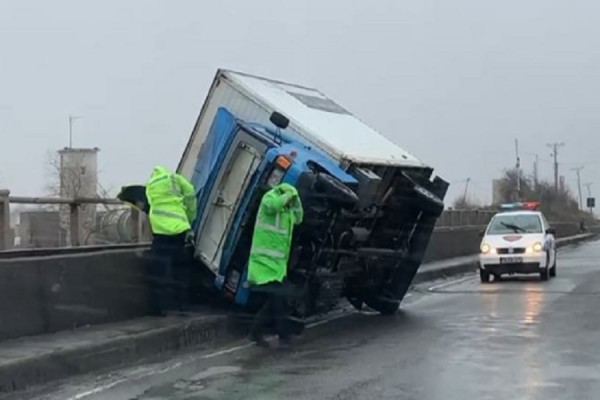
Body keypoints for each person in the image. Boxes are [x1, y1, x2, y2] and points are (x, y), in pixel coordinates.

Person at [246, 182, 303, 348]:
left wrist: (296, 199)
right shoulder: (270, 197)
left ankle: (255, 332)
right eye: (290, 198)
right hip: (263, 262)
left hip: (277, 265)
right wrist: (288, 195)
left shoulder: (288, 211)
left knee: (276, 301)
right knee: (279, 300)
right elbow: (272, 207)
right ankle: (284, 335)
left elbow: (299, 218)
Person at [145, 165, 197, 315]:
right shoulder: (174, 178)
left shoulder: (150, 186)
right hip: (180, 230)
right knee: (180, 270)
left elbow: (150, 206)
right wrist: (190, 216)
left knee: (158, 271)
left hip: (160, 233)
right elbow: (191, 192)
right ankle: (183, 305)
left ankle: (161, 308)